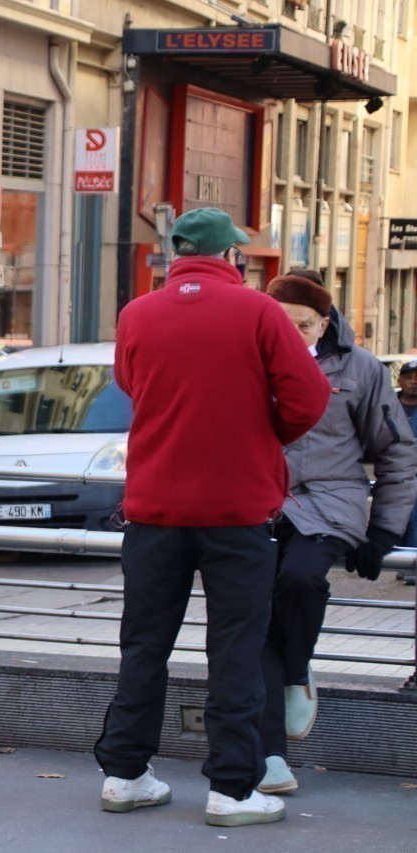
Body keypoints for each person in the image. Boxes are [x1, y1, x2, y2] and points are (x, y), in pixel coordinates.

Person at [93, 207, 330, 826]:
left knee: (143, 644)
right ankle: (231, 787)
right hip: (236, 511)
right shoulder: (258, 312)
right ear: (233, 257)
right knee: (236, 649)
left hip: (155, 509)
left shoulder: (137, 313)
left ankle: (124, 775)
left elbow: (132, 382)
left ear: (176, 255)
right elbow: (309, 397)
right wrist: (261, 432)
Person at [257, 273, 417, 794]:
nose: (291, 333)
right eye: (280, 323)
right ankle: (271, 759)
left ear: (324, 323)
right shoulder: (248, 359)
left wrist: (384, 530)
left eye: (302, 325)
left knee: (301, 580)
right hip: (256, 501)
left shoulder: (360, 369)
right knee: (253, 618)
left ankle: (297, 669)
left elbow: (396, 450)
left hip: (329, 501)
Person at [396, 358, 417, 586]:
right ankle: (401, 562)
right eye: (409, 377)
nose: (413, 382)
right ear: (400, 380)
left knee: (413, 518)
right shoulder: (389, 405)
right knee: (398, 520)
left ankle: (412, 565)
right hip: (393, 471)